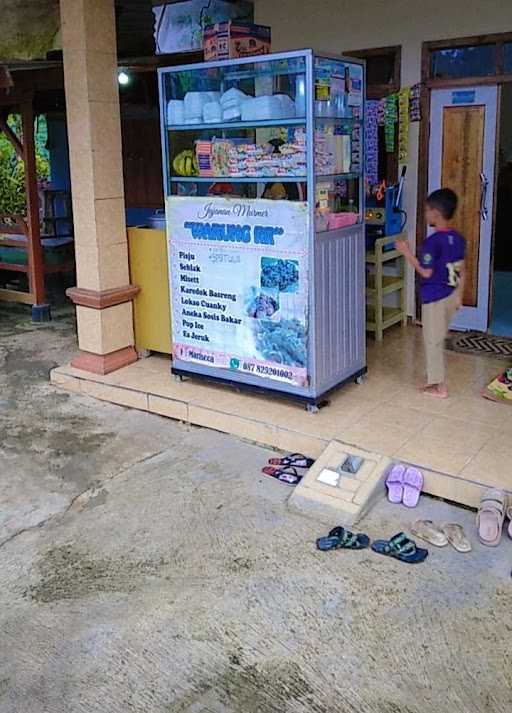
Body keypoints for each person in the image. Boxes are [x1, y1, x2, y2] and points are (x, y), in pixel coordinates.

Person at [395, 188, 466, 399]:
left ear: (435, 213)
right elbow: (463, 269)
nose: (425, 215)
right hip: (452, 296)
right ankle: (434, 376)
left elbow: (426, 272)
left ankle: (439, 386)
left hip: (435, 298)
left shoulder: (432, 243)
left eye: (427, 211)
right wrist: (460, 295)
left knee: (432, 342)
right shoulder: (457, 238)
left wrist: (406, 252)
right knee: (437, 337)